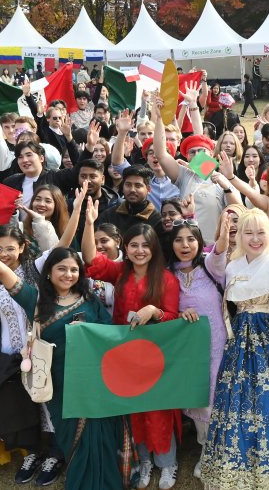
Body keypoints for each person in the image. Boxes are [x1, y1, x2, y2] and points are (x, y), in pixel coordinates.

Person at [0, 211, 126, 490]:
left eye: (74, 269)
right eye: (61, 268)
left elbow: (109, 336)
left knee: (100, 437)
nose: (68, 274)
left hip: (93, 383)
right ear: (48, 272)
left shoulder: (90, 301)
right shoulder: (35, 300)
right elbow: (1, 270)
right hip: (60, 386)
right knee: (73, 437)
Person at [198, 208, 269, 489]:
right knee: (234, 401)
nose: (254, 239)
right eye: (248, 233)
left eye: (261, 232)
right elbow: (212, 264)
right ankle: (233, 468)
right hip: (239, 345)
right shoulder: (232, 266)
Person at [82, 203, 180, 490]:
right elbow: (91, 259)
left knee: (158, 410)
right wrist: (88, 223)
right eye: (134, 245)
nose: (139, 251)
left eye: (145, 246)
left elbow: (172, 316)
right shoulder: (119, 272)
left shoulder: (166, 279)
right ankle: (144, 461)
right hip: (123, 355)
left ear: (154, 248)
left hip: (155, 356)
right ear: (126, 247)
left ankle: (167, 463)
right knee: (133, 410)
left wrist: (154, 311)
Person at [167, 215, 228, 480]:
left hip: (217, 344)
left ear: (199, 242)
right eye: (179, 239)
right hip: (188, 349)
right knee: (199, 398)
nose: (185, 244)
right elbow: (166, 308)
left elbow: (220, 251)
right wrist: (180, 313)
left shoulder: (211, 267)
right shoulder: (168, 275)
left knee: (217, 397)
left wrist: (224, 231)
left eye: (191, 239)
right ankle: (206, 449)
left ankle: (219, 451)